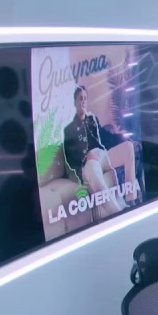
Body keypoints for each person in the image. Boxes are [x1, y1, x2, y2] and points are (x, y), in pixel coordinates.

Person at [62, 85, 138, 218]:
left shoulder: (92, 120)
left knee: (128, 147)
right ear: (75, 102)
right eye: (80, 98)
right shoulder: (69, 129)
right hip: (88, 163)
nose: (83, 101)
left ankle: (131, 200)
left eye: (85, 98)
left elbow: (105, 137)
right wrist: (85, 157)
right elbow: (69, 157)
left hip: (102, 155)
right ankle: (117, 213)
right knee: (93, 168)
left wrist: (123, 138)